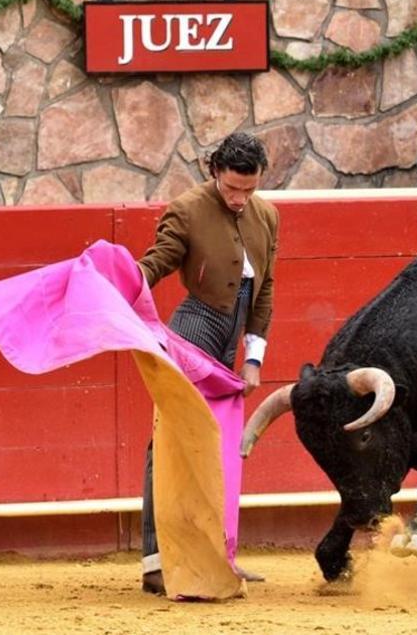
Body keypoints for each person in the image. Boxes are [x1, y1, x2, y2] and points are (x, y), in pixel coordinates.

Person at [135, 132, 279, 596]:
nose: (239, 199)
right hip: (193, 332)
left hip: (230, 340)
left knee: (215, 450)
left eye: (249, 190)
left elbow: (265, 291)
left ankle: (215, 555)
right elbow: (157, 262)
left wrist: (253, 359)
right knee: (173, 444)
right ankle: (157, 561)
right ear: (214, 171)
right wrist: (128, 279)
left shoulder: (267, 216)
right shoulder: (187, 208)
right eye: (231, 188)